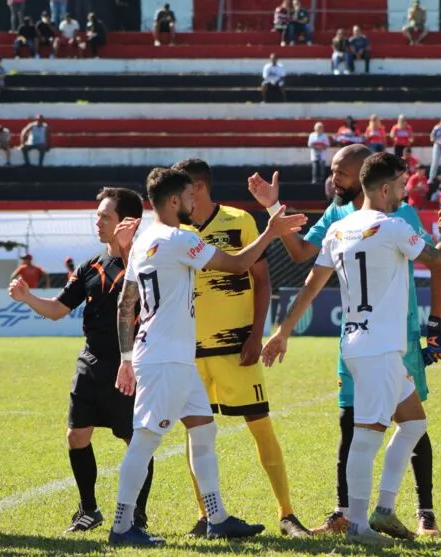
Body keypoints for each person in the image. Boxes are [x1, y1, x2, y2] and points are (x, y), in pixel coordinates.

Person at [247, 145, 441, 538]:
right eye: (402, 185)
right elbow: (439, 261)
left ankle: (384, 509)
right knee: (366, 435)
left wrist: (285, 329)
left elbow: (313, 277)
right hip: (379, 347)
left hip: (360, 342)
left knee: (413, 424)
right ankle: (358, 523)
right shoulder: (394, 227)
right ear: (386, 189)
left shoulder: (340, 228)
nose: (405, 192)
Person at [108, 167, 306, 545]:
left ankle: (216, 518)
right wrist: (270, 232)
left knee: (203, 429)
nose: (192, 202)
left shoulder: (143, 240)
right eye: (187, 197)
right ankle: (120, 526)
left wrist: (126, 356)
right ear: (172, 201)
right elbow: (235, 264)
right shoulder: (178, 239)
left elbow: (125, 302)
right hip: (167, 360)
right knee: (146, 439)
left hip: (172, 358)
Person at [172, 159, 311, 538]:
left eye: (181, 189)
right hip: (188, 352)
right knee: (195, 433)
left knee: (260, 427)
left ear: (197, 187)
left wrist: (254, 334)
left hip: (236, 346)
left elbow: (261, 280)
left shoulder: (239, 220)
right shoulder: (175, 229)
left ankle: (287, 513)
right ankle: (207, 516)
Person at [7, 188, 156, 533]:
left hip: (130, 365)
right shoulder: (91, 265)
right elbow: (59, 309)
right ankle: (89, 509)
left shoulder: (148, 263)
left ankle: (137, 514)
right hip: (90, 362)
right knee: (76, 436)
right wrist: (28, 298)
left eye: (106, 216)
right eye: (98, 214)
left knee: (136, 442)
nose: (98, 221)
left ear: (128, 222)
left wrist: (129, 249)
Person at [307, 121, 331, 186]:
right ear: (315, 129)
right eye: (318, 128)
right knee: (315, 167)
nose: (319, 130)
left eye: (320, 128)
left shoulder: (324, 136)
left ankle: (322, 179)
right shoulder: (312, 135)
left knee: (322, 167)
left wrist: (322, 147)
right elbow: (309, 144)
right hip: (314, 154)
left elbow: (327, 145)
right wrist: (316, 146)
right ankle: (314, 179)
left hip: (322, 154)